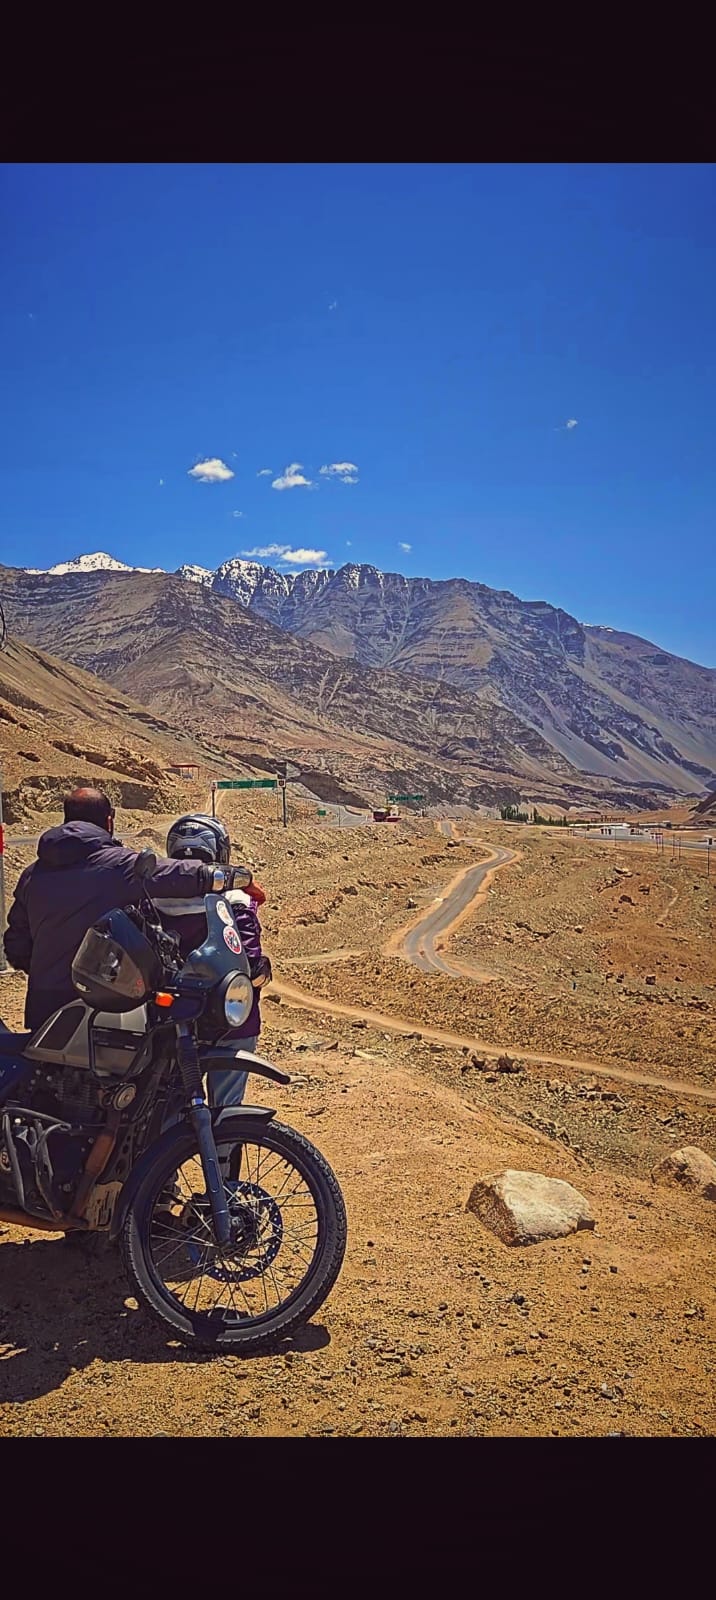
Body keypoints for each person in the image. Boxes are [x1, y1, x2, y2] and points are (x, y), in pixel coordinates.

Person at [3, 787, 256, 1033]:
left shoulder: (32, 875)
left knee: (45, 1074)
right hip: (105, 1003)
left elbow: (16, 944)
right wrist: (233, 876)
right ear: (109, 820)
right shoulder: (119, 865)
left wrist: (48, 973)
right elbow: (179, 874)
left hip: (45, 1005)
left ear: (66, 817)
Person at [160, 813, 271, 1113]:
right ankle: (222, 1158)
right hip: (232, 1023)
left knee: (168, 1111)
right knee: (227, 1111)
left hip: (173, 1020)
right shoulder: (236, 899)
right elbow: (251, 962)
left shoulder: (152, 897)